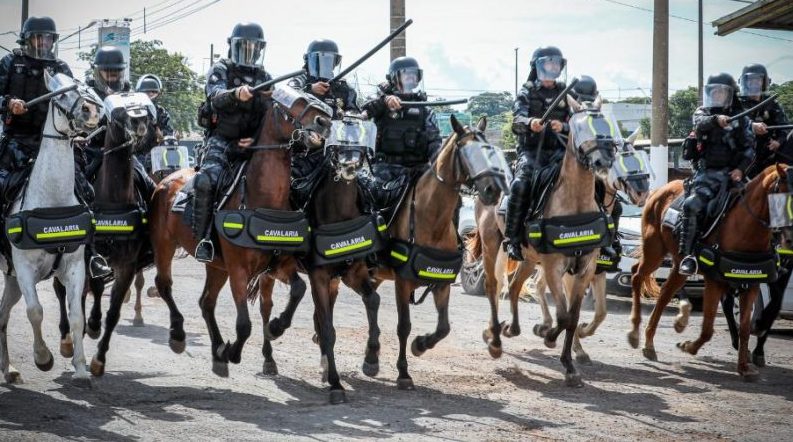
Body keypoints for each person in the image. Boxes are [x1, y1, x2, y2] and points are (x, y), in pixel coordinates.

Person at [193, 22, 272, 262]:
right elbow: (214, 95)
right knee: (206, 181)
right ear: (232, 46)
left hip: (254, 145)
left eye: (253, 47)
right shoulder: (221, 69)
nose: (249, 51)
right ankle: (204, 239)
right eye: (243, 46)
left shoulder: (265, 77)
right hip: (222, 141)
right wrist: (235, 94)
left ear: (260, 49)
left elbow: (271, 112)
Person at [678, 73, 755, 276]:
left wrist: (740, 169)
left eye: (721, 91)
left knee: (760, 203)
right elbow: (700, 123)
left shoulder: (742, 118)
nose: (717, 95)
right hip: (706, 175)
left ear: (730, 95)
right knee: (691, 205)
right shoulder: (702, 112)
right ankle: (689, 256)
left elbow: (749, 149)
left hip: (733, 175)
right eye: (714, 91)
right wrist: (716, 119)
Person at [503, 46, 570, 261]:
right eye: (549, 62)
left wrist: (565, 127)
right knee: (520, 185)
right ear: (538, 66)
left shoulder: (566, 92)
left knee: (592, 181)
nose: (553, 66)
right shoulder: (526, 92)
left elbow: (579, 120)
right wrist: (530, 123)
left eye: (556, 63)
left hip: (560, 152)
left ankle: (603, 239)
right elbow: (517, 120)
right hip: (532, 152)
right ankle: (512, 239)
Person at [0, 16, 72, 204]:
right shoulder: (9, 62)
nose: (43, 42)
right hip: (16, 142)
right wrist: (8, 103)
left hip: (55, 143)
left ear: (53, 41)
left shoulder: (61, 68)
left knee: (85, 185)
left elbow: (74, 103)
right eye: (38, 37)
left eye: (47, 38)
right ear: (27, 39)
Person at [361, 56, 441, 185]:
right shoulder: (381, 101)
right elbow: (364, 110)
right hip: (385, 170)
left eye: (413, 73)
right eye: (406, 73)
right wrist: (385, 99)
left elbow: (434, 142)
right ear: (394, 78)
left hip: (417, 171)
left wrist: (439, 165)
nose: (410, 76)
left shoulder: (425, 110)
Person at [739, 63, 790, 178]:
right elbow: (733, 125)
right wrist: (751, 126)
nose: (754, 83)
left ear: (764, 82)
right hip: (744, 155)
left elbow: (785, 127)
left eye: (758, 80)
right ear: (745, 82)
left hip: (770, 153)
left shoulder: (771, 103)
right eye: (750, 80)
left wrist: (779, 142)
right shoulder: (737, 104)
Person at [288, 39, 359, 118]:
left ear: (335, 62)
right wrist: (309, 89)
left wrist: (348, 115)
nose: (325, 64)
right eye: (321, 60)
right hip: (303, 128)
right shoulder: (301, 79)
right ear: (309, 61)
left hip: (334, 128)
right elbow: (287, 95)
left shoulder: (345, 88)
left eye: (329, 60)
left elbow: (353, 112)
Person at [135, 74, 175, 172]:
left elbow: (169, 132)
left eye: (153, 92)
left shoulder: (161, 112)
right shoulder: (134, 110)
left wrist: (164, 136)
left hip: (157, 153)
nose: (150, 94)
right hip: (136, 154)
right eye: (147, 92)